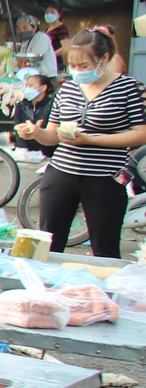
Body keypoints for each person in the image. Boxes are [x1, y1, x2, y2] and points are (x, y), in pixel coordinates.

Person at [16, 26, 146, 259]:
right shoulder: (68, 89)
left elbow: (141, 133)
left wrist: (91, 139)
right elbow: (53, 134)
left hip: (105, 178)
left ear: (104, 59)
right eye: (72, 66)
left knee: (104, 249)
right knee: (47, 245)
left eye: (83, 66)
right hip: (61, 173)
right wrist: (35, 133)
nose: (76, 71)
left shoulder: (129, 88)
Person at [11, 71, 58, 156]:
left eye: (31, 85)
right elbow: (17, 125)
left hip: (47, 152)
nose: (27, 88)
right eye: (26, 86)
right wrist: (22, 149)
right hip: (25, 151)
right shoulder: (21, 104)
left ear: (43, 88)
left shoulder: (53, 104)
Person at [16, 13, 59, 78]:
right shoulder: (25, 41)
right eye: (19, 28)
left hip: (46, 77)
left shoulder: (41, 37)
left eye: (25, 28)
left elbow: (35, 57)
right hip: (33, 76)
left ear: (34, 28)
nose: (21, 30)